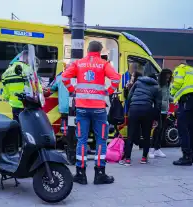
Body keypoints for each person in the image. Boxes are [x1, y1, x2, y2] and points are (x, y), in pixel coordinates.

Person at [62, 41, 121, 185]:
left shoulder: (79, 64)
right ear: (100, 51)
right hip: (99, 109)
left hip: (81, 109)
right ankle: (100, 173)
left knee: (81, 140)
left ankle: (80, 174)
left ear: (87, 50)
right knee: (101, 140)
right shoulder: (104, 64)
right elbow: (116, 78)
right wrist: (109, 91)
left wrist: (72, 90)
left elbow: (64, 78)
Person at [120, 74, 162, 166]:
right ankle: (143, 158)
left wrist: (131, 108)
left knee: (130, 134)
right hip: (147, 110)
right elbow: (158, 105)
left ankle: (127, 159)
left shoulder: (138, 82)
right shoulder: (157, 87)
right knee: (146, 135)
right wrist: (155, 118)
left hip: (134, 109)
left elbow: (129, 97)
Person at [2, 49, 43, 122]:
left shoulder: (6, 72)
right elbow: (38, 88)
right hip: (27, 105)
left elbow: (5, 94)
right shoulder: (29, 69)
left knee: (17, 125)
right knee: (28, 128)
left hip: (14, 105)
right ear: (27, 58)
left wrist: (11, 99)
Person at [171, 63, 193, 166]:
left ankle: (186, 157)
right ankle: (191, 156)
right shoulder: (191, 71)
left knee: (183, 129)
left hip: (186, 101)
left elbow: (177, 82)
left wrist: (172, 91)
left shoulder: (180, 68)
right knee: (191, 130)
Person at [149, 69, 173, 159]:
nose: (168, 79)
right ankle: (152, 149)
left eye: (169, 77)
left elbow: (167, 96)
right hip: (158, 110)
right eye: (167, 77)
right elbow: (156, 97)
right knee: (157, 129)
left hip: (165, 110)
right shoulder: (158, 84)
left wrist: (174, 99)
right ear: (163, 76)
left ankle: (157, 149)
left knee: (161, 130)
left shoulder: (167, 85)